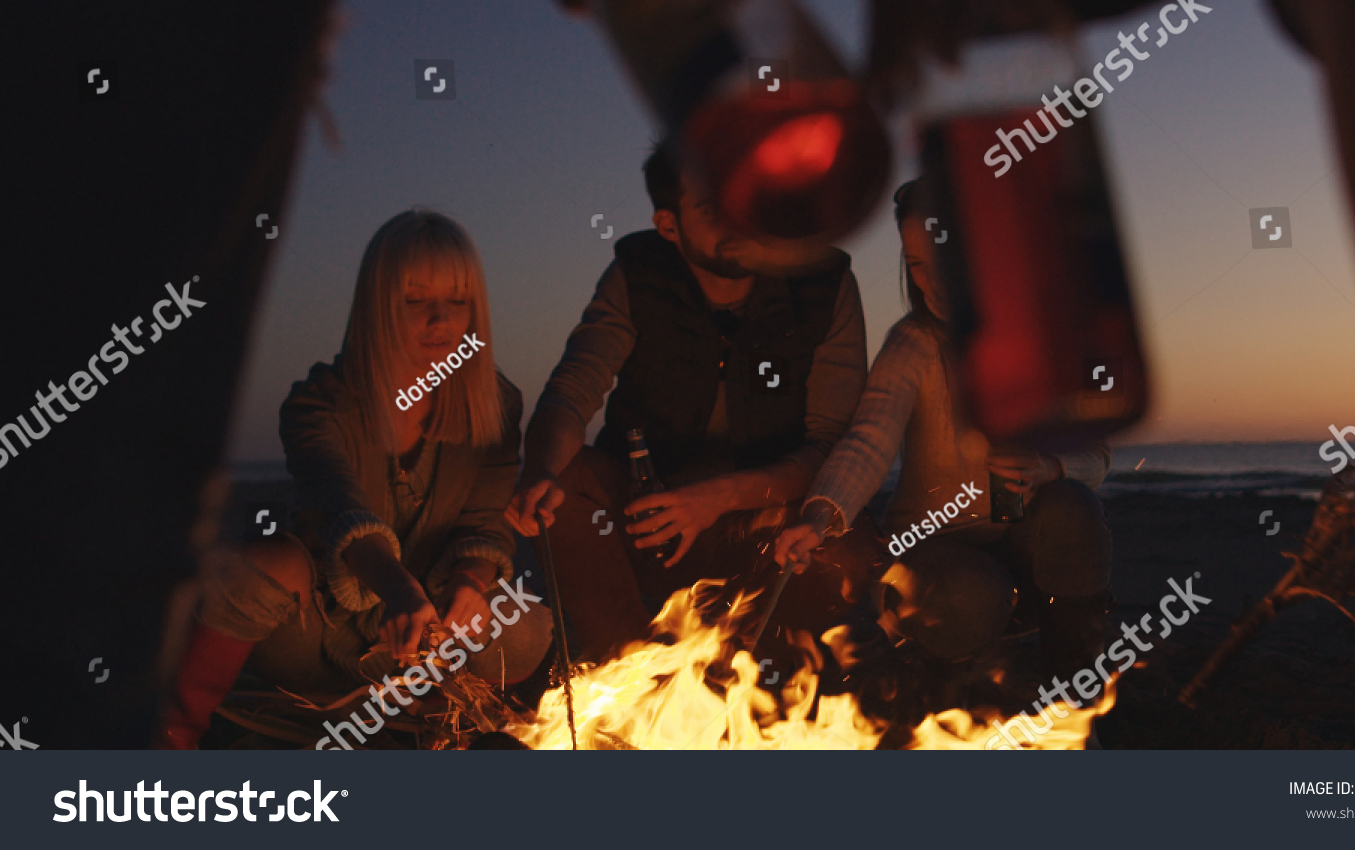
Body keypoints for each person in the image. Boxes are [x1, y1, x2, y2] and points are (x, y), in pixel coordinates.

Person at [156, 211, 552, 748]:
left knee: (523, 626)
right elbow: (337, 504)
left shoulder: (496, 407)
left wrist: (469, 584)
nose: (439, 320)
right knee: (255, 566)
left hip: (431, 641)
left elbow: (484, 523)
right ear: (377, 305)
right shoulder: (318, 404)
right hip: (319, 639)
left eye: (456, 301)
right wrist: (394, 588)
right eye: (415, 300)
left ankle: (430, 715)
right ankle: (174, 737)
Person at [506, 141, 884, 663]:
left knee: (848, 542)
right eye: (711, 210)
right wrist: (542, 467)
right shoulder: (637, 277)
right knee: (567, 485)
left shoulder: (820, 283)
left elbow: (830, 446)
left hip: (768, 512)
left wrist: (718, 498)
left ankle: (786, 679)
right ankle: (633, 680)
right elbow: (572, 392)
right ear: (669, 225)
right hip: (650, 519)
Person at [774, 177, 1113, 674]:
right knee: (972, 594)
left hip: (1017, 549)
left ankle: (1074, 699)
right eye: (916, 266)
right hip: (929, 557)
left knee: (1074, 508)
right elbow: (868, 441)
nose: (932, 282)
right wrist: (821, 516)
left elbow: (1096, 457)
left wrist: (1049, 467)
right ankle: (932, 685)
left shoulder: (1039, 336)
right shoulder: (914, 345)